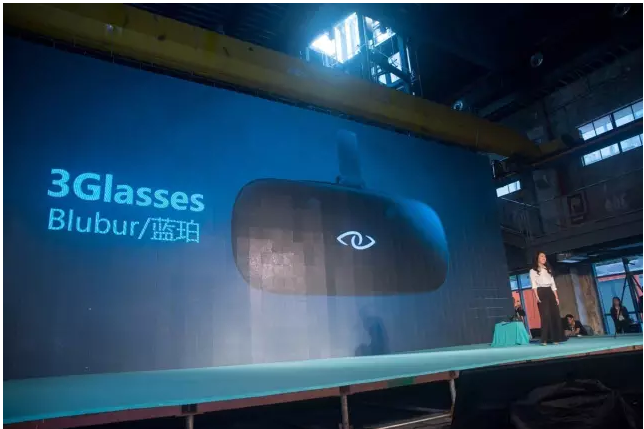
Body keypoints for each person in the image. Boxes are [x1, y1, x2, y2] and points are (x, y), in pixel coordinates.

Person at [530, 252, 565, 345]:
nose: (544, 258)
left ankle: (555, 338)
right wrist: (537, 297)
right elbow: (534, 285)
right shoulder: (533, 271)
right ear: (537, 258)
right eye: (541, 256)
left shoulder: (548, 269)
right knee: (545, 316)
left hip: (550, 292)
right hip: (541, 292)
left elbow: (553, 284)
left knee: (554, 315)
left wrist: (556, 297)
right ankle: (544, 339)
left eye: (545, 256)